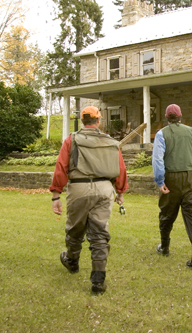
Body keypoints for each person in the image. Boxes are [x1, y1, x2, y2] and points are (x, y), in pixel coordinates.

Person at [50, 106, 128, 294]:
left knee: (75, 229)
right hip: (104, 189)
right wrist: (120, 191)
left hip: (79, 187)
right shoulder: (111, 142)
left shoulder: (72, 139)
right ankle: (98, 281)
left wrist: (56, 194)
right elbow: (121, 168)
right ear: (98, 121)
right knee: (100, 233)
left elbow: (61, 166)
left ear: (82, 121)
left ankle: (72, 261)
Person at [152, 104, 192, 269]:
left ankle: (164, 247)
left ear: (167, 117)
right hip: (191, 178)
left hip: (171, 179)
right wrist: (191, 170)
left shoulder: (162, 134)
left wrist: (160, 181)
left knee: (167, 213)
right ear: (180, 116)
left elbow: (157, 159)